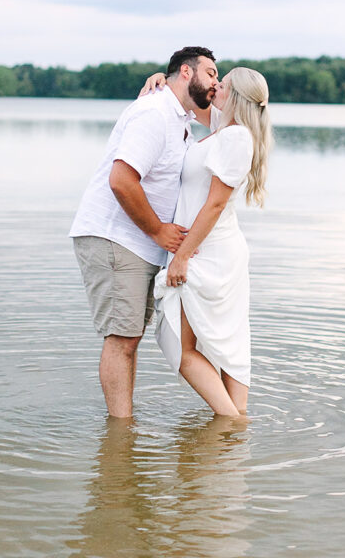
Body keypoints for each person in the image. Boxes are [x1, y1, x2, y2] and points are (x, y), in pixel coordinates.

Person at [69, 47, 219, 418]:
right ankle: (120, 439)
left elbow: (224, 123)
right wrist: (157, 231)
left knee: (128, 338)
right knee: (122, 339)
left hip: (135, 242)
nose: (216, 82)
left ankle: (123, 425)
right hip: (117, 237)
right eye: (212, 73)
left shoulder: (175, 114)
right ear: (186, 72)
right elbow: (121, 180)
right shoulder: (154, 114)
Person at [151, 67, 271, 417]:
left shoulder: (236, 138)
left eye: (224, 84)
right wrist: (163, 80)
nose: (216, 86)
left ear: (235, 97)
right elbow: (185, 99)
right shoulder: (224, 127)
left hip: (209, 252)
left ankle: (233, 424)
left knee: (187, 352)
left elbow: (215, 204)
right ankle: (233, 440)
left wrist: (181, 258)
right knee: (225, 345)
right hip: (207, 248)